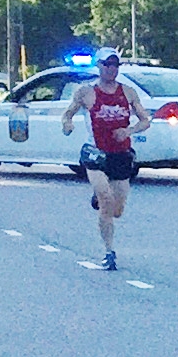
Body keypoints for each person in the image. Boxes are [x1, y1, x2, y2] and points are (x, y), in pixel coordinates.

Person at [59, 48, 152, 270]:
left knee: (117, 210)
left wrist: (128, 131)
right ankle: (109, 252)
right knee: (106, 200)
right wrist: (67, 125)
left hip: (121, 154)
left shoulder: (128, 92)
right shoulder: (86, 92)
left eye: (115, 65)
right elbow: (68, 114)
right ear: (99, 66)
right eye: (107, 64)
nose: (111, 69)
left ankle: (101, 197)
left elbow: (145, 121)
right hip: (96, 153)